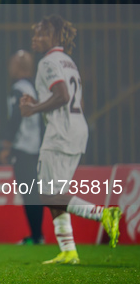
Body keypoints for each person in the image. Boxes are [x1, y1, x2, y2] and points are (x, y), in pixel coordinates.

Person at [20, 15, 121, 264]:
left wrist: (33, 109)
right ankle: (68, 250)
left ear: (54, 35)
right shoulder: (68, 62)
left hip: (60, 134)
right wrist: (38, 104)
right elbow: (75, 100)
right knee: (57, 193)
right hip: (76, 130)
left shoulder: (48, 62)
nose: (35, 37)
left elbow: (63, 95)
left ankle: (103, 213)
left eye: (40, 32)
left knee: (45, 195)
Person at [0, 51, 44, 245]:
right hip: (37, 146)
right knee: (34, 191)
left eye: (12, 64)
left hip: (23, 147)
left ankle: (35, 236)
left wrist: (7, 145)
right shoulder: (35, 88)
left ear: (19, 67)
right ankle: (37, 235)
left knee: (29, 192)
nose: (9, 68)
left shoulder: (18, 89)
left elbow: (16, 117)